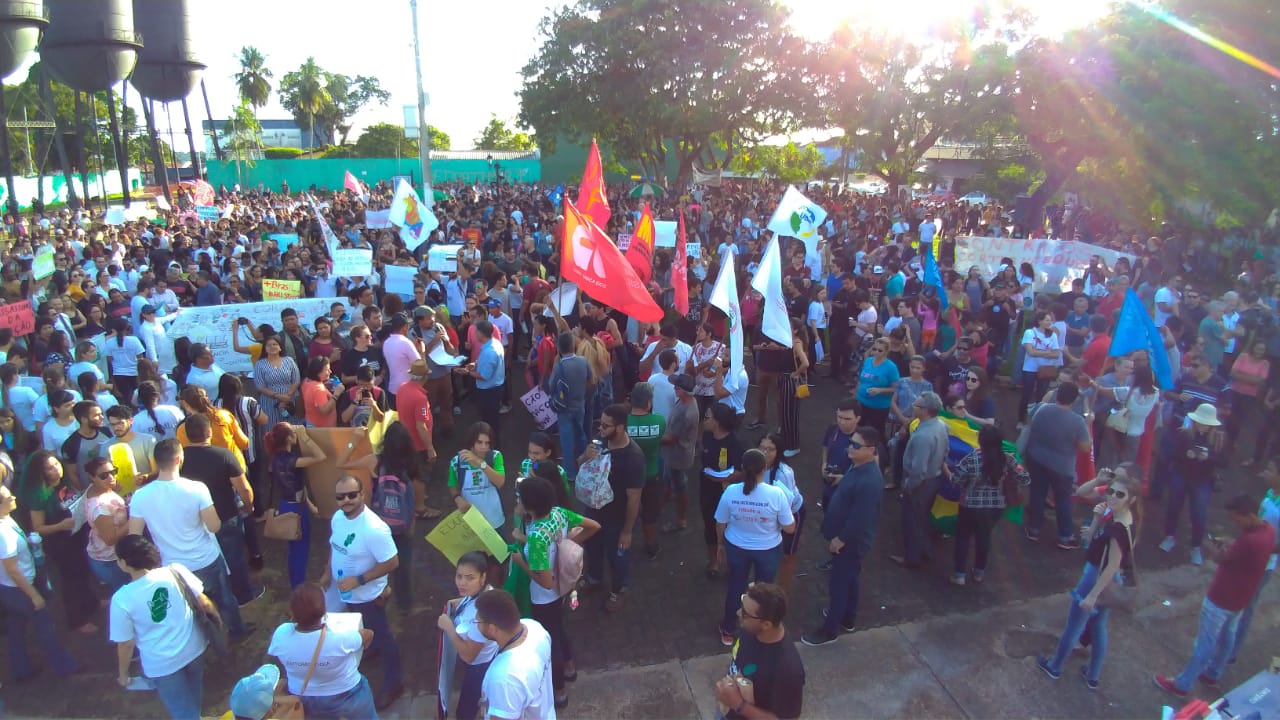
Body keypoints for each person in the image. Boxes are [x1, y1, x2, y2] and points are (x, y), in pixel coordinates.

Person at [128, 438, 252, 640]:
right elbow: (214, 526)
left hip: (172, 566)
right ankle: (237, 631)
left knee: (190, 607)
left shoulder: (140, 496)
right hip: (205, 558)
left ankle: (205, 638)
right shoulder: (196, 488)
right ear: (179, 459)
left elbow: (134, 535)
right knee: (224, 598)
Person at [1154, 493, 1276, 697]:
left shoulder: (1248, 541)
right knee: (1227, 638)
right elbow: (1242, 551)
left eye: (1236, 518)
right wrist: (1231, 543)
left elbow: (1222, 559)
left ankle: (1182, 685)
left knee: (1204, 644)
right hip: (1241, 599)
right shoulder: (1268, 532)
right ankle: (1213, 674)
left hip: (1221, 598)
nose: (1234, 522)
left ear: (1246, 515)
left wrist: (1212, 546)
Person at [1036, 466, 1140, 689]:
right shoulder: (1123, 516)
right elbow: (1082, 492)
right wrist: (1097, 481)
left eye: (1119, 494)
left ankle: (1055, 666)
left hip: (1097, 577)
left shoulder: (1118, 529)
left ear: (1130, 499)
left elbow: (1112, 565)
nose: (1112, 496)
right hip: (1107, 579)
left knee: (1074, 625)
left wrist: (1092, 595)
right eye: (1111, 491)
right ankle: (1092, 676)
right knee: (1099, 626)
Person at [507, 474, 599, 711]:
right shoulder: (558, 513)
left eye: (519, 499)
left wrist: (521, 562)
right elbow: (593, 526)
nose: (516, 503)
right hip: (565, 587)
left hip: (545, 597)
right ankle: (570, 668)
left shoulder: (537, 538)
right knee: (560, 628)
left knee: (551, 642)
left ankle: (559, 691)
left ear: (529, 507)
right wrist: (570, 544)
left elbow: (545, 582)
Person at [320, 474, 404, 710]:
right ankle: (372, 648)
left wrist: (359, 580)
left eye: (351, 495)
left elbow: (392, 561)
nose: (346, 500)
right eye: (340, 496)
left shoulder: (374, 528)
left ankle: (394, 683)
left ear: (362, 495)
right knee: (357, 626)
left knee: (384, 636)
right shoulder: (338, 518)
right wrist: (328, 572)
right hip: (343, 592)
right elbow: (334, 546)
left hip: (368, 595)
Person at [110, 534, 211, 720]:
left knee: (182, 711)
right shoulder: (174, 571)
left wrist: (123, 674)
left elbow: (125, 644)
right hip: (194, 648)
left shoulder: (121, 599)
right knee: (193, 700)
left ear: (124, 563)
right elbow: (203, 600)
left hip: (162, 665)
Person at [803, 426, 883, 646]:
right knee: (851, 578)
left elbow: (860, 518)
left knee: (838, 584)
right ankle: (848, 617)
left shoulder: (869, 481)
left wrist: (841, 540)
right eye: (851, 443)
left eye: (856, 446)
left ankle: (830, 630)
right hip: (848, 539)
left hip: (850, 542)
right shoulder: (859, 467)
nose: (850, 448)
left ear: (871, 450)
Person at [715, 448, 796, 646]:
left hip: (736, 546)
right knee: (764, 592)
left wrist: (720, 544)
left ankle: (728, 629)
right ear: (765, 468)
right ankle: (760, 630)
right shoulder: (776, 494)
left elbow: (720, 521)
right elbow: (790, 528)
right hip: (768, 549)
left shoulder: (731, 492)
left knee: (736, 586)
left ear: (742, 468)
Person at [0, 482, 80, 682]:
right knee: (46, 626)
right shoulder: (3, 534)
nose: (14, 498)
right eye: (9, 497)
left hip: (10, 588)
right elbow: (12, 569)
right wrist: (34, 595)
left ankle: (21, 669)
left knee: (16, 629)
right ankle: (63, 666)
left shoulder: (7, 520)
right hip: (20, 588)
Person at [336, 423, 419, 613]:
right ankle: (405, 605)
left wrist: (353, 441)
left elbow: (341, 462)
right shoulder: (410, 463)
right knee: (403, 566)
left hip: (379, 523)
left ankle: (379, 594)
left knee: (376, 563)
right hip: (404, 525)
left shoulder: (374, 461)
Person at [179, 412, 259, 606]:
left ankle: (213, 595)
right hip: (226, 515)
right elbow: (244, 488)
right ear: (209, 433)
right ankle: (242, 595)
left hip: (195, 519)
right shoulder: (223, 455)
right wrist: (249, 507)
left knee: (207, 560)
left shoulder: (179, 459)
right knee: (234, 556)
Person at [268, 582, 377, 719]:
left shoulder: (281, 635)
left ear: (292, 611)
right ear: (324, 610)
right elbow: (368, 634)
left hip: (303, 696)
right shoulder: (339, 638)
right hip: (347, 693)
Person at [17, 450, 99, 632]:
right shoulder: (39, 495)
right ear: (41, 473)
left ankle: (91, 603)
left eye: (56, 464)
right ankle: (77, 619)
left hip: (77, 536)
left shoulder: (63, 483)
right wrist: (61, 525)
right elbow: (38, 527)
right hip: (60, 544)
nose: (56, 469)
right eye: (50, 468)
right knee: (72, 580)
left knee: (84, 573)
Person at [578, 403, 646, 612]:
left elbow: (634, 499)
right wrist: (585, 457)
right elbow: (580, 463)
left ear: (621, 427)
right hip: (594, 512)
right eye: (601, 424)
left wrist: (627, 532)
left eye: (607, 426)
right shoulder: (600, 443)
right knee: (593, 549)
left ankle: (620, 590)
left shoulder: (633, 458)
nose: (601, 429)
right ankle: (594, 578)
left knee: (618, 557)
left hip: (616, 519)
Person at [952, 426, 1030, 585]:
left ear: (980, 441)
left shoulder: (971, 458)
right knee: (984, 537)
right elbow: (1025, 479)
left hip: (969, 505)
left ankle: (959, 574)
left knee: (963, 538)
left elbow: (956, 481)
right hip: (995, 507)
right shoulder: (1008, 459)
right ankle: (979, 572)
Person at [716, 582, 805, 719]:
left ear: (766, 624)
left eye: (745, 614)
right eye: (742, 606)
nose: (738, 613)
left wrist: (739, 705)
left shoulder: (787, 669)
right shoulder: (751, 628)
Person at [1023, 383, 1092, 548]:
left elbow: (1029, 422)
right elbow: (1085, 447)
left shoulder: (1041, 408)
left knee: (1038, 493)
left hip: (1036, 458)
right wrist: (1088, 424)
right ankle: (1065, 536)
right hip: (1062, 466)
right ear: (1074, 400)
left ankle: (1034, 529)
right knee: (1063, 500)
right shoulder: (1077, 421)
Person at [436, 552, 500, 720]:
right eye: (459, 576)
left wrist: (449, 628)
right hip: (483, 661)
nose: (462, 583)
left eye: (470, 578)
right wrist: (459, 601)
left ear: (483, 577)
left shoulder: (481, 614)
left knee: (465, 712)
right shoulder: (485, 591)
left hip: (479, 667)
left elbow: (469, 655)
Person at [473, 589, 555, 720]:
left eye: (477, 622)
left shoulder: (503, 678)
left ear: (492, 628)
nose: (475, 626)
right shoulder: (535, 627)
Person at [1158, 403, 1224, 565]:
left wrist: (1208, 457)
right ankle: (1170, 537)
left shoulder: (1218, 439)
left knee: (1199, 514)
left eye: (1206, 423)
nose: (1202, 425)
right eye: (1200, 422)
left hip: (1203, 480)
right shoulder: (1184, 434)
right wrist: (1185, 454)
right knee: (1174, 506)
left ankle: (1196, 546)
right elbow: (1173, 454)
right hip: (1181, 475)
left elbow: (1224, 461)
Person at [263, 423, 324, 588]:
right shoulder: (290, 460)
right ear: (288, 438)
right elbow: (320, 456)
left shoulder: (276, 458)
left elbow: (298, 485)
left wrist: (311, 506)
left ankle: (297, 583)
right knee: (300, 550)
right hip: (295, 509)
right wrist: (304, 436)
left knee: (295, 549)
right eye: (293, 433)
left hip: (288, 505)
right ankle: (299, 585)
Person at [892, 392, 948, 569]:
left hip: (920, 484)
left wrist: (908, 486)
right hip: (934, 478)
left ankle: (912, 558)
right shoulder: (941, 425)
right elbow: (945, 451)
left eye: (916, 405)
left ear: (925, 411)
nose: (912, 407)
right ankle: (925, 550)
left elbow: (918, 470)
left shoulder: (923, 436)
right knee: (923, 518)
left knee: (912, 521)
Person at [625, 382, 667, 560]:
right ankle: (651, 545)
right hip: (652, 473)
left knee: (627, 508)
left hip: (627, 476)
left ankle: (624, 542)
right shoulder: (659, 421)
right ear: (649, 403)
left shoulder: (623, 423)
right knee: (651, 513)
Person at [394, 359, 440, 519]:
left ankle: (416, 499)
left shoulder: (401, 389)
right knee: (419, 476)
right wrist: (430, 448)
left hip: (405, 440)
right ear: (424, 377)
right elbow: (421, 425)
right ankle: (421, 508)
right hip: (418, 444)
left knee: (410, 473)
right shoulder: (420, 398)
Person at [82, 455, 131, 592]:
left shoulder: (98, 488)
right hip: (110, 560)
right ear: (92, 478)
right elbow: (110, 539)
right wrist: (134, 518)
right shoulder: (100, 507)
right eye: (104, 476)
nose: (111, 477)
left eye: (113, 472)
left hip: (109, 554)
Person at [546, 331, 590, 479]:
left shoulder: (559, 367)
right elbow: (590, 379)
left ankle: (570, 473)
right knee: (581, 435)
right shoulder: (584, 361)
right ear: (573, 345)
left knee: (566, 441)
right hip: (580, 405)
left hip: (564, 408)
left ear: (559, 347)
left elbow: (551, 385)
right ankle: (586, 466)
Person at [448, 421, 507, 532]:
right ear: (471, 442)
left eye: (487, 443)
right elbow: (452, 485)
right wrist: (457, 498)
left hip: (494, 519)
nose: (483, 447)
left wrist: (481, 464)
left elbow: (500, 482)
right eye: (479, 442)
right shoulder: (457, 461)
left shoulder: (495, 456)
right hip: (470, 520)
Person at [659, 373, 699, 534]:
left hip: (678, 455)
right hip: (674, 454)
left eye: (676, 387)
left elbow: (671, 439)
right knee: (669, 479)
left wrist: (652, 439)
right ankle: (664, 500)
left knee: (680, 486)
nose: (674, 388)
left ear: (683, 391)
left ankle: (681, 520)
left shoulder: (688, 414)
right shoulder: (684, 401)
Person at [461, 319, 505, 446]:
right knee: (493, 419)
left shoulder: (489, 352)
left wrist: (467, 372)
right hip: (496, 387)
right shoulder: (494, 343)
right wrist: (474, 365)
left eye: (476, 332)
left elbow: (483, 376)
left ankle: (493, 447)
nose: (474, 335)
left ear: (480, 334)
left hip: (489, 391)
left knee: (490, 421)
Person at [1019, 310, 1062, 423]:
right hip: (1029, 368)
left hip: (1045, 370)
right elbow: (1030, 352)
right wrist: (1047, 352)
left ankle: (1036, 419)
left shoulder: (1052, 335)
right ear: (1039, 321)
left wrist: (1038, 351)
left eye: (1050, 320)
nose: (1050, 322)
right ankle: (1021, 419)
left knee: (1041, 395)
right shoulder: (1030, 332)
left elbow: (1057, 354)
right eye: (1047, 320)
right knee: (1026, 394)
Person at [253, 335, 301, 427]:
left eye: (275, 344)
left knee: (292, 429)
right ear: (265, 348)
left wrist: (286, 397)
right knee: (273, 429)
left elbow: (296, 380)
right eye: (269, 345)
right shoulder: (260, 364)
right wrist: (278, 396)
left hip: (290, 400)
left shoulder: (289, 361)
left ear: (280, 347)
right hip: (270, 401)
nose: (272, 347)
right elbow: (260, 386)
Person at [301, 356, 343, 429]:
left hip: (312, 423)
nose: (330, 371)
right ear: (317, 371)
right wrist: (336, 394)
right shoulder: (318, 389)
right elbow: (324, 411)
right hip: (322, 430)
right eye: (327, 370)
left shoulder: (306, 381)